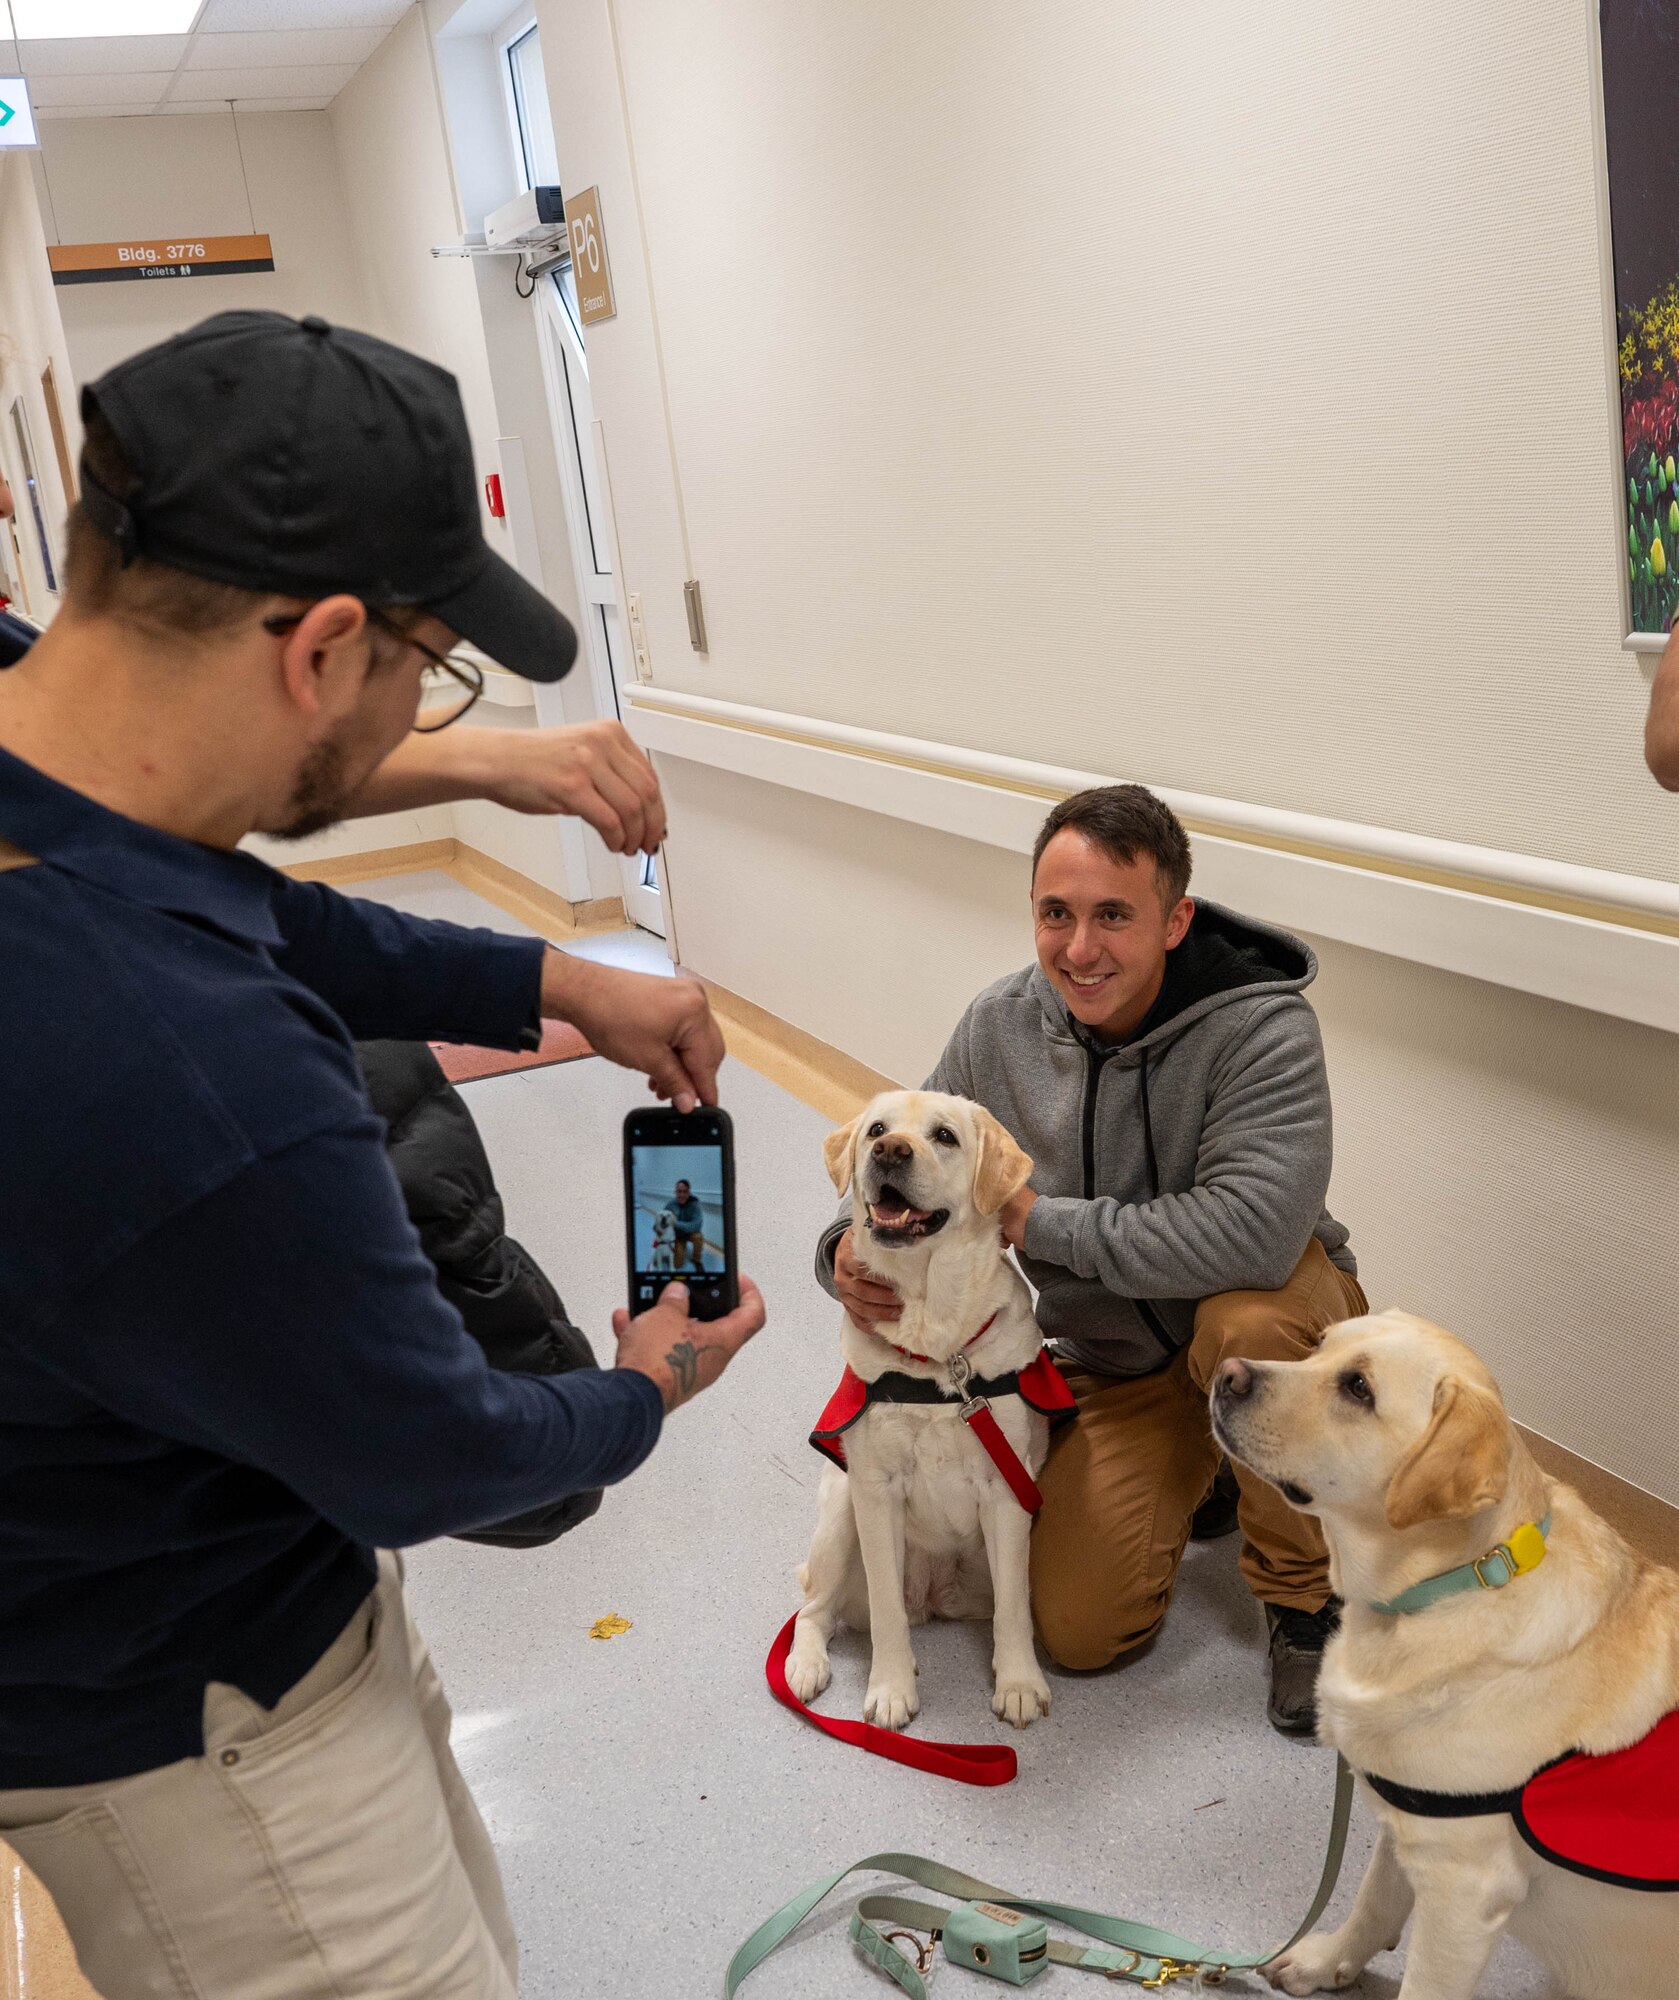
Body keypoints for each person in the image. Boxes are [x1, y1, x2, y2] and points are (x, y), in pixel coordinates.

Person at [0, 309, 764, 2000]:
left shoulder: (41, 772)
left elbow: (247, 907)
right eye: (427, 659)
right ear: (323, 647)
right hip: (205, 1740)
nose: (430, 704)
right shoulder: (191, 1071)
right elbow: (438, 1456)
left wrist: (551, 975)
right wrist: (649, 1380)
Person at [817, 784, 1366, 1734]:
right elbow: (905, 1152)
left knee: (1248, 1316)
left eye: (1113, 914)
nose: (1078, 949)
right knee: (1073, 1628)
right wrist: (839, 1250)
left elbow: (1253, 1233)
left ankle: (1304, 1600)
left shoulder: (1262, 1027)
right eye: (1055, 914)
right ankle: (1208, 1467)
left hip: (1256, 1318)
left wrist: (1039, 1223)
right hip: (1116, 1362)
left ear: (1174, 919)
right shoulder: (998, 1026)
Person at [665, 1176, 706, 1270]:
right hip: (678, 1236)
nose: (682, 1195)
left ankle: (697, 1260)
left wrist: (676, 1223)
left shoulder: (695, 1204)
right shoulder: (670, 1204)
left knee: (698, 1237)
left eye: (684, 1191)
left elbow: (697, 1225)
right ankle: (681, 1249)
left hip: (691, 1233)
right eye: (679, 1191)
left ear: (689, 1192)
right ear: (675, 1192)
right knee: (677, 1265)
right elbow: (663, 1218)